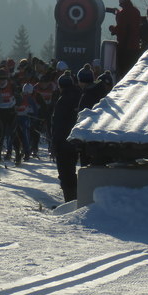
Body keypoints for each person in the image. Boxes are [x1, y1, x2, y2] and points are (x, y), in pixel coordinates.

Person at [51, 71, 82, 202]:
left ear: (60, 86)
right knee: (72, 172)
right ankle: (75, 199)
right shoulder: (80, 96)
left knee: (65, 174)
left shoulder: (62, 101)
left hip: (63, 143)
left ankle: (70, 201)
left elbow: (58, 125)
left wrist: (54, 144)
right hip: (77, 141)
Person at [108, 0, 141, 80]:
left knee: (123, 73)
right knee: (132, 72)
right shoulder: (136, 11)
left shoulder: (122, 14)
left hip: (124, 48)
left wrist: (112, 28)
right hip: (135, 46)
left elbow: (121, 29)